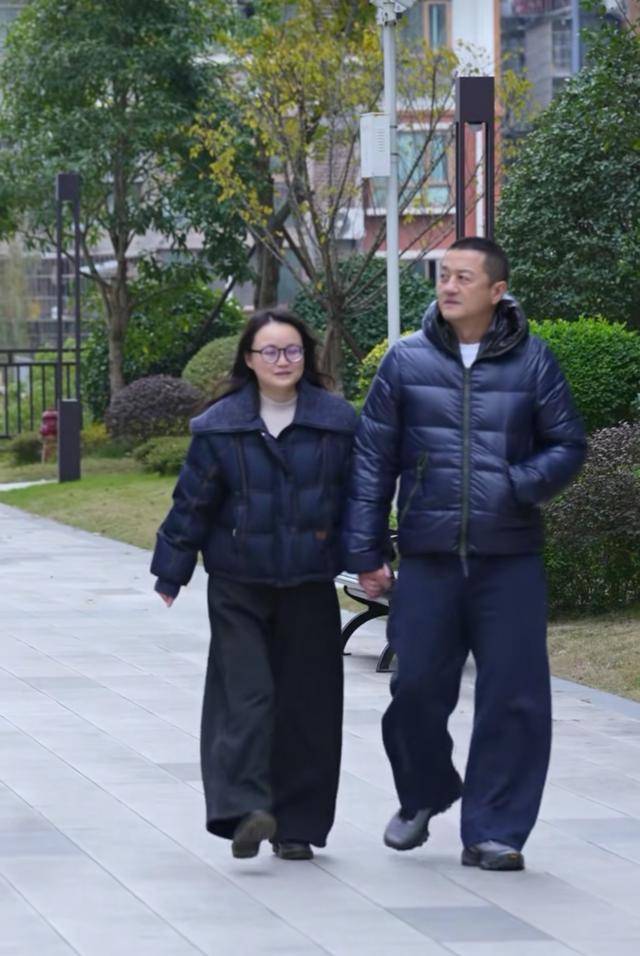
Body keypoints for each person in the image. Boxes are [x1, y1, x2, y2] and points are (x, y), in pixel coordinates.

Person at [343, 237, 586, 871]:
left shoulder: (534, 361)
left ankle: (494, 831)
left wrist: (516, 484)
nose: (448, 286)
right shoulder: (405, 361)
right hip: (428, 557)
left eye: (463, 277)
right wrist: (366, 548)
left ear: (497, 292)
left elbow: (567, 444)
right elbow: (372, 460)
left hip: (510, 559)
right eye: (443, 275)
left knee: (514, 697)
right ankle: (424, 792)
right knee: (415, 689)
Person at [151, 307, 356, 862]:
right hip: (238, 584)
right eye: (270, 351)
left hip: (309, 581)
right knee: (246, 695)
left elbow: (356, 499)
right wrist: (172, 568)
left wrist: (367, 559)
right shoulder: (221, 425)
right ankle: (247, 810)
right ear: (249, 358)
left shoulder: (336, 422)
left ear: (306, 356)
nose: (282, 360)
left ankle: (298, 827)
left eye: (292, 350)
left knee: (309, 705)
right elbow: (193, 500)